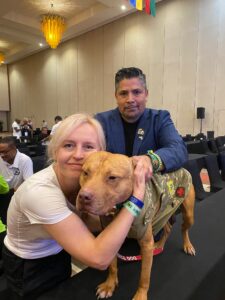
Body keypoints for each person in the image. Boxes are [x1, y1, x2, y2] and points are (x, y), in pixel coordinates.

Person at [2, 113, 146, 299]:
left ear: (101, 152)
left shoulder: (86, 178)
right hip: (29, 265)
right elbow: (99, 258)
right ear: (55, 151)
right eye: (68, 145)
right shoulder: (39, 192)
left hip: (60, 250)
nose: (78, 155)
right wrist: (137, 199)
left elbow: (92, 221)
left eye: (88, 146)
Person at [95, 67, 188, 252]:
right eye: (123, 93)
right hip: (111, 216)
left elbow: (178, 149)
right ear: (116, 96)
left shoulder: (160, 118)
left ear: (146, 94)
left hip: (150, 217)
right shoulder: (101, 121)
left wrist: (151, 159)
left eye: (136, 92)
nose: (130, 99)